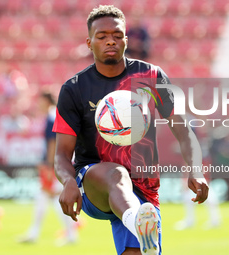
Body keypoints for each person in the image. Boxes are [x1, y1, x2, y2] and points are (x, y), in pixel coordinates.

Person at [53, 5, 208, 255]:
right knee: (116, 174)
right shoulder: (74, 88)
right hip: (95, 184)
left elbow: (183, 129)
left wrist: (196, 169)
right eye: (102, 36)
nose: (110, 41)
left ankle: (137, 220)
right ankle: (138, 221)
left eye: (117, 35)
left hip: (143, 187)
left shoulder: (152, 75)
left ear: (126, 39)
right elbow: (62, 153)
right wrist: (68, 180)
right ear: (89, 42)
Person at [18, 91, 78, 244]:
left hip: (54, 164)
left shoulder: (51, 118)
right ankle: (39, 232)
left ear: (46, 101)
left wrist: (49, 164)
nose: (38, 103)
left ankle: (69, 232)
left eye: (40, 100)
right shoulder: (53, 116)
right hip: (57, 162)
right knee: (47, 196)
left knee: (52, 196)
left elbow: (53, 143)